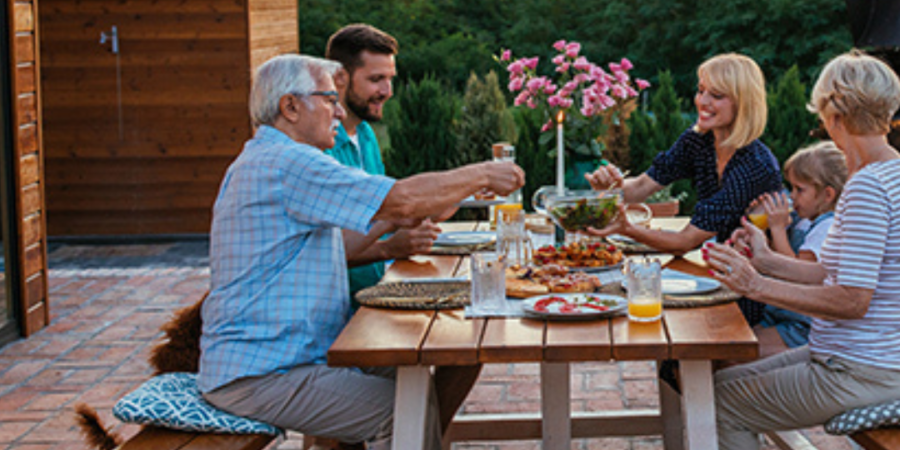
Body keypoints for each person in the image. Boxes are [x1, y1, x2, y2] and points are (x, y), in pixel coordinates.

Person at [198, 54, 525, 450]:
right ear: (290, 106)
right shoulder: (288, 162)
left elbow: (359, 235)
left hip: (290, 355)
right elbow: (402, 199)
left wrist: (427, 202)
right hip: (263, 372)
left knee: (432, 368)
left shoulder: (273, 159)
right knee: (406, 409)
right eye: (328, 100)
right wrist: (483, 172)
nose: (339, 111)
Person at [704, 50, 900, 450]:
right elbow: (829, 272)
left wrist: (755, 284)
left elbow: (851, 300)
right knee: (719, 386)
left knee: (721, 405)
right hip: (863, 360)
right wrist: (766, 260)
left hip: (864, 370)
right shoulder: (885, 173)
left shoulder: (867, 188)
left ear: (833, 115)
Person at [584, 53, 783, 254]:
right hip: (723, 262)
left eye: (717, 95)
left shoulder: (755, 166)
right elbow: (642, 186)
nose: (702, 101)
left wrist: (626, 229)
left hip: (759, 271)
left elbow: (686, 241)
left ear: (743, 103)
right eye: (701, 90)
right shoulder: (699, 140)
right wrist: (610, 187)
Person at [324, 24, 440, 300]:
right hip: (341, 309)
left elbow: (379, 216)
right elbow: (324, 252)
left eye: (390, 79)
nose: (387, 91)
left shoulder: (365, 135)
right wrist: (390, 247)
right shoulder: (319, 146)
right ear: (339, 78)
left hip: (377, 292)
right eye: (376, 79)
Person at [753, 141, 847, 358]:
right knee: (734, 343)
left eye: (800, 189)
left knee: (735, 353)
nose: (792, 196)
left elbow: (796, 272)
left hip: (802, 328)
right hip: (781, 315)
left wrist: (777, 229)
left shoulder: (827, 228)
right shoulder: (805, 221)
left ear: (828, 195)